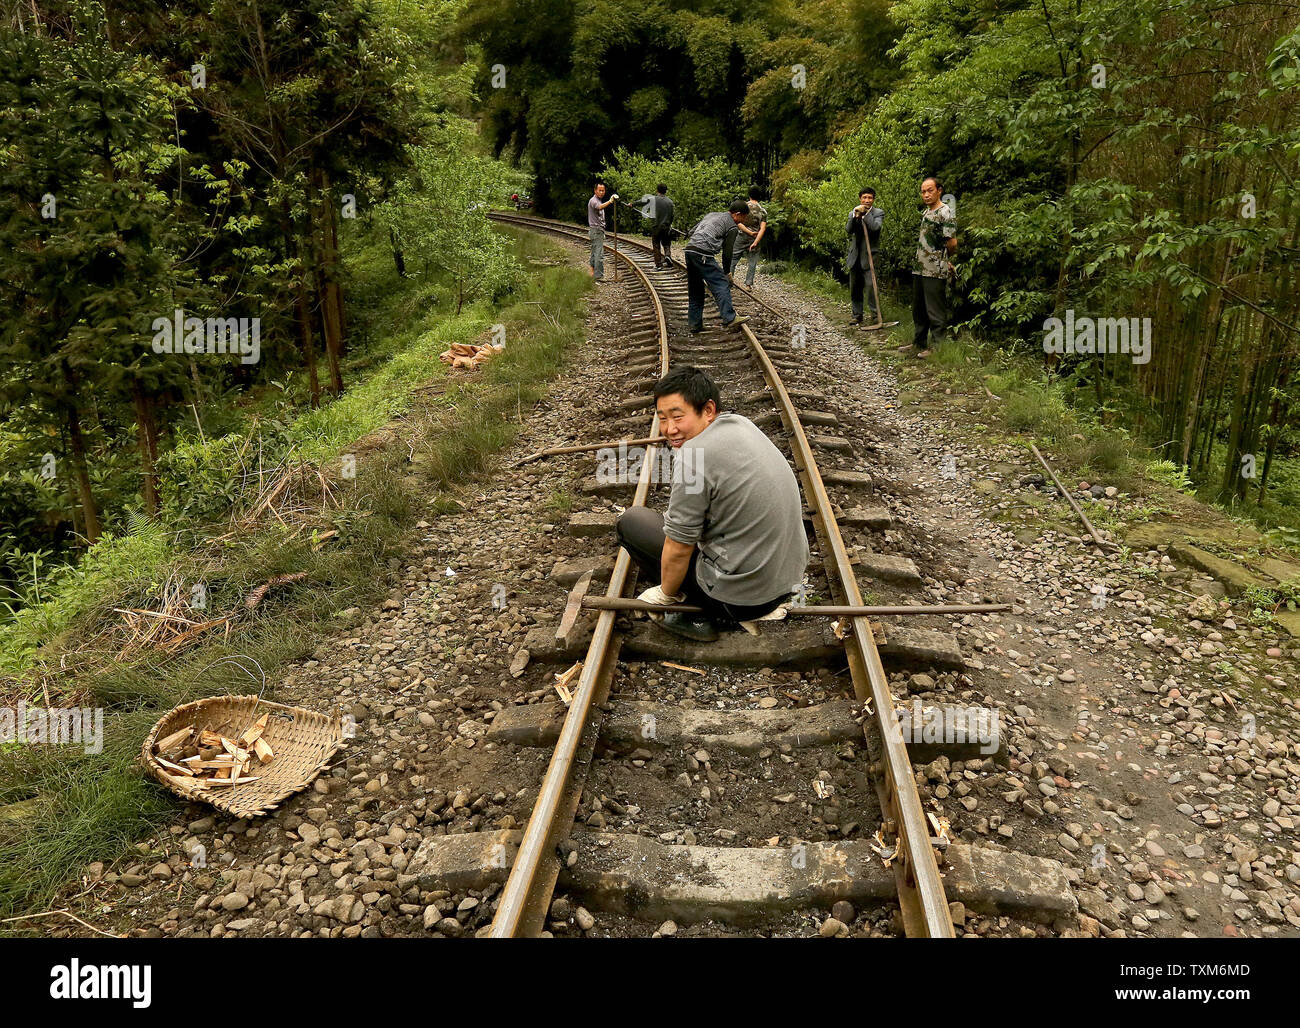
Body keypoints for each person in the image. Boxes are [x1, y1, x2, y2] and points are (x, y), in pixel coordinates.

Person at [615, 366, 810, 642]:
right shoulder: (741, 424)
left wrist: (666, 594)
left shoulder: (693, 456)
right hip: (787, 581)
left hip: (743, 600)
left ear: (708, 410)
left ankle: (700, 611)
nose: (670, 429)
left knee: (631, 522)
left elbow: (680, 545)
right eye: (662, 419)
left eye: (678, 417)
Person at [903, 176, 956, 358]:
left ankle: (937, 347)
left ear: (939, 190)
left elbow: (952, 242)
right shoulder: (926, 212)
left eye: (930, 190)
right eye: (923, 191)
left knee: (935, 309)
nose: (926, 194)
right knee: (918, 308)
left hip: (935, 269)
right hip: (920, 267)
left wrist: (945, 259)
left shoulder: (945, 212)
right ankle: (918, 343)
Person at [683, 201, 752, 333]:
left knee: (696, 289)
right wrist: (727, 273)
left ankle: (694, 324)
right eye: (744, 217)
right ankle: (730, 318)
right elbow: (727, 253)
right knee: (721, 283)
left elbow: (692, 231)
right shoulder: (732, 227)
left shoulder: (712, 215)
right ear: (737, 215)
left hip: (690, 250)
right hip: (702, 253)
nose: (744, 221)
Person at [846, 188, 884, 324]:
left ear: (873, 199)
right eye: (864, 198)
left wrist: (866, 214)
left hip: (870, 257)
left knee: (871, 287)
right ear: (860, 199)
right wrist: (856, 216)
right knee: (855, 287)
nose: (867, 200)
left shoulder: (878, 213)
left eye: (870, 198)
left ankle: (875, 316)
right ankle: (857, 315)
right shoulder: (853, 212)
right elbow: (849, 230)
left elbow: (875, 228)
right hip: (855, 256)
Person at [731, 186, 768, 287]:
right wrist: (755, 241)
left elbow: (737, 222)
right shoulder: (763, 211)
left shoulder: (743, 207)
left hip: (741, 236)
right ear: (759, 196)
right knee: (752, 262)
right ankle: (748, 284)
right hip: (755, 238)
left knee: (733, 259)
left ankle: (728, 281)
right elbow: (762, 228)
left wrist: (748, 231)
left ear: (749, 194)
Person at [586, 182, 618, 282]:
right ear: (595, 191)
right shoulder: (593, 201)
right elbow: (599, 207)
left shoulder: (598, 200)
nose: (601, 192)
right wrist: (610, 201)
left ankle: (591, 272)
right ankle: (598, 276)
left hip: (597, 230)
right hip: (596, 231)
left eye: (603, 190)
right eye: (599, 190)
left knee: (594, 252)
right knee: (599, 254)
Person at [648, 184, 675, 268]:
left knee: (656, 245)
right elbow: (672, 215)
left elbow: (642, 202)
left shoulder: (653, 199)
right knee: (666, 243)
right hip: (666, 226)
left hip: (656, 227)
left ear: (657, 190)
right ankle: (667, 255)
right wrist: (669, 224)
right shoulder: (670, 202)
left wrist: (632, 204)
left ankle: (658, 265)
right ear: (666, 191)